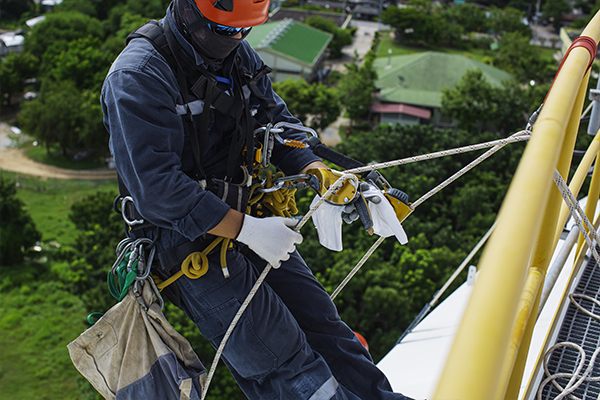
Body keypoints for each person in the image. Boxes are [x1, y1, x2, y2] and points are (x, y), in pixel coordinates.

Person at [101, 0, 412, 399]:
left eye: (242, 31)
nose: (233, 40)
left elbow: (275, 122)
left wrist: (320, 172)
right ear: (187, 12)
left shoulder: (236, 53)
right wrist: (244, 229)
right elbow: (157, 191)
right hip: (186, 242)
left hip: (251, 219)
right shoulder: (138, 76)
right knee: (283, 364)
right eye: (223, 31)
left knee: (327, 329)